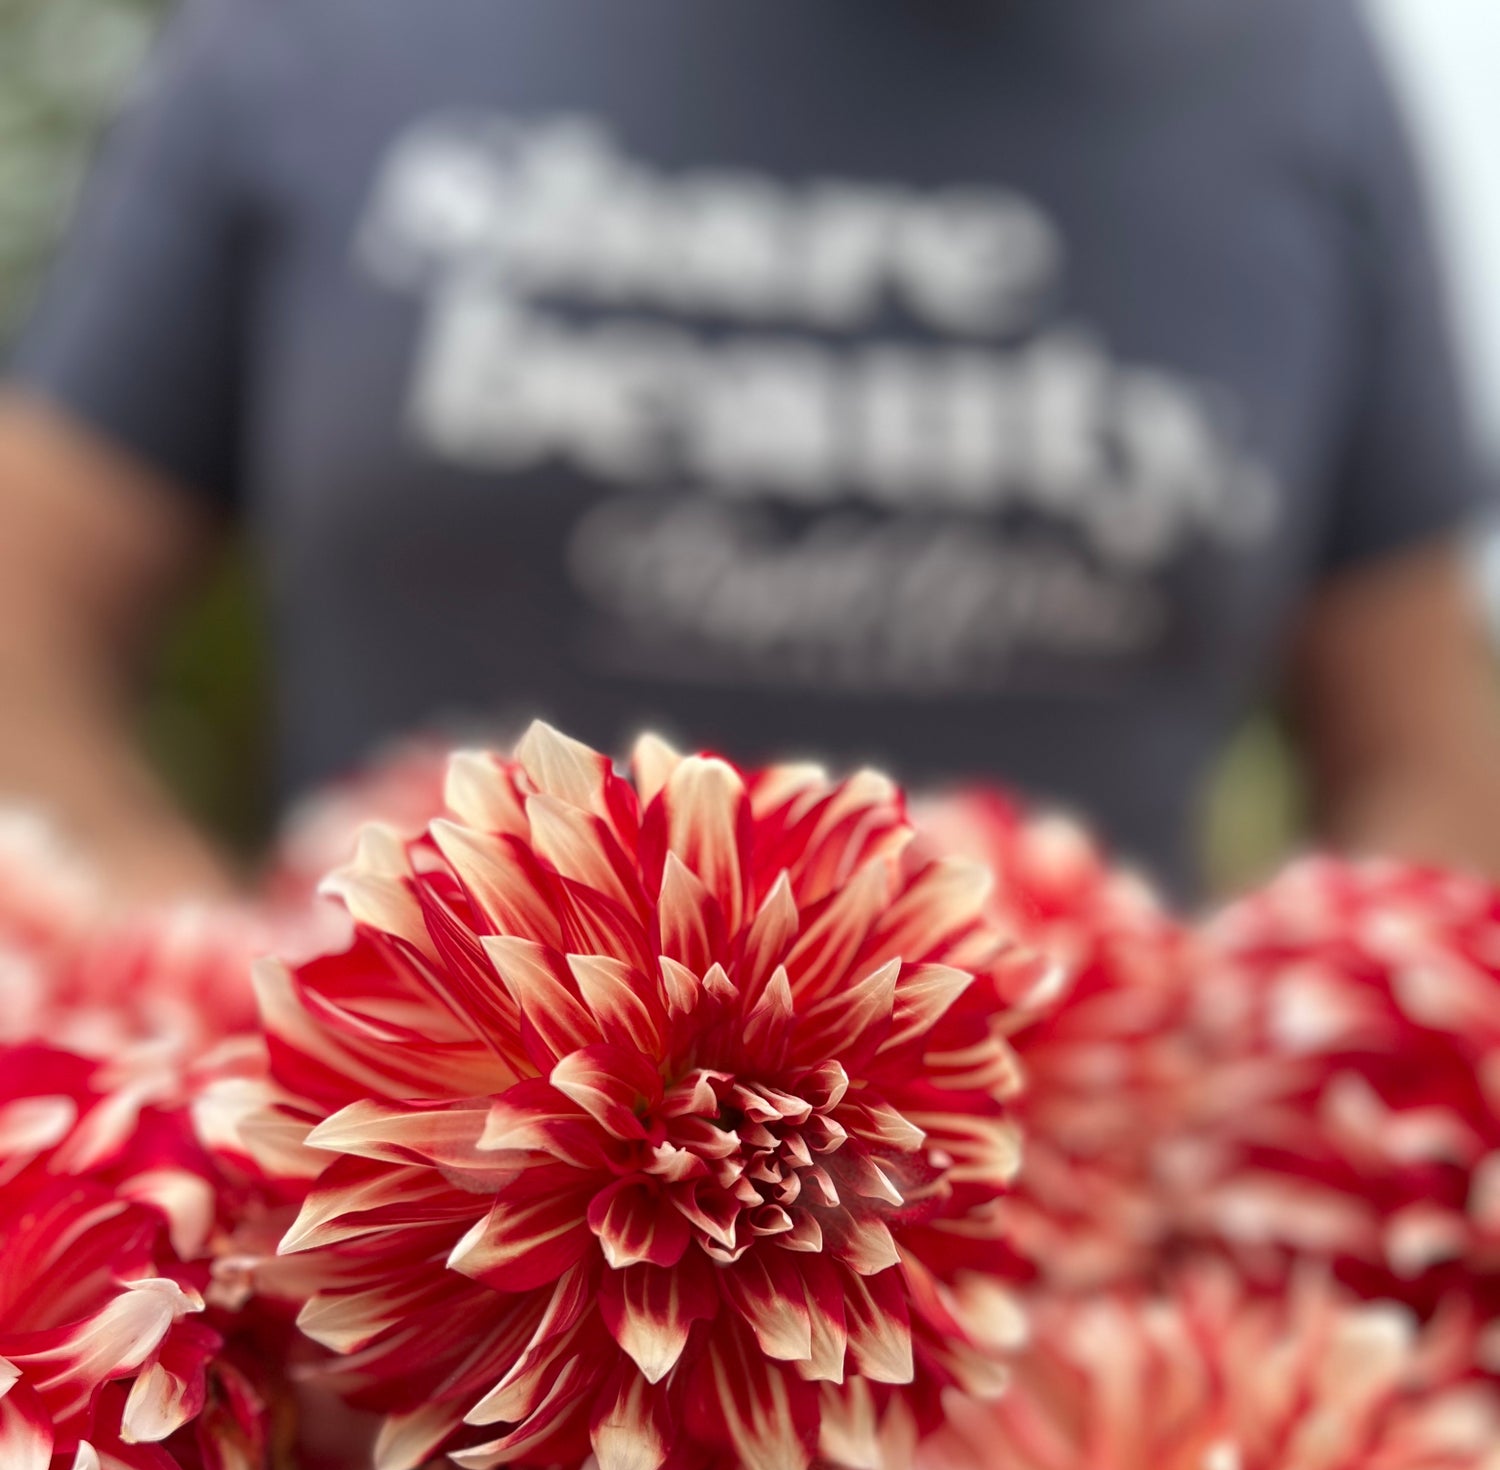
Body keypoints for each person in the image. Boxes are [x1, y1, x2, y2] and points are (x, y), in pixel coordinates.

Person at [1, 0, 1498, 905]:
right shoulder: (328, 31)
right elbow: (28, 605)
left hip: (1066, 1273)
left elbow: (1432, 750)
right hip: (418, 1243)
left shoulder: (1293, 63)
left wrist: (1304, 1076)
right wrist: (166, 947)